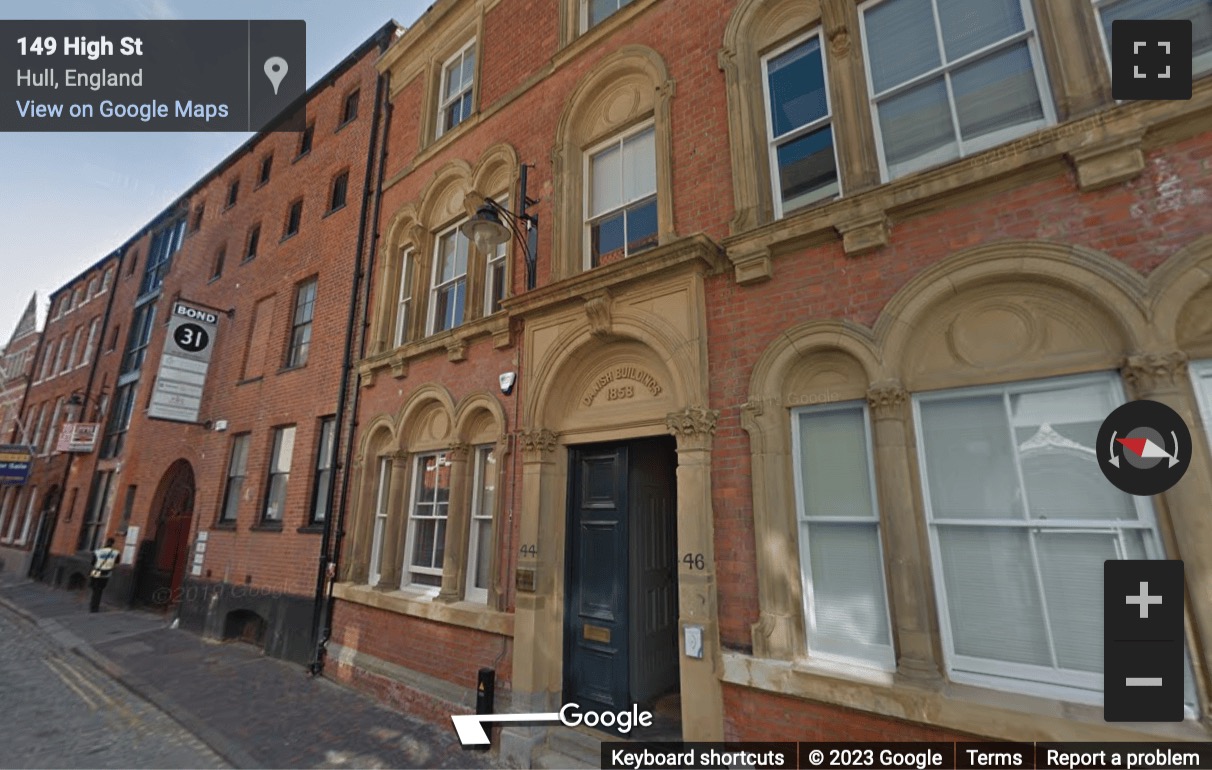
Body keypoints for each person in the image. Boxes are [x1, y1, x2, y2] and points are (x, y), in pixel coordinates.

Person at [89, 537, 121, 613]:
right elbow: (117, 562)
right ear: (113, 543)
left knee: (95, 589)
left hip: (97, 571)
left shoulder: (98, 551)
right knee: (100, 589)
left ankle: (93, 606)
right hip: (106, 573)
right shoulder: (116, 552)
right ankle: (95, 606)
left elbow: (93, 562)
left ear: (106, 542)